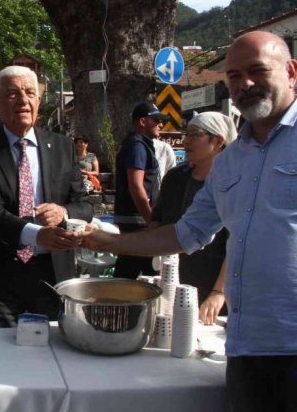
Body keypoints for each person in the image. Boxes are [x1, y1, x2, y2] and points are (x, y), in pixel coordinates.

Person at [81, 31, 297, 412]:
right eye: (234, 76)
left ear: (291, 72)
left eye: (257, 71)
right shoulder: (230, 163)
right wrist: (104, 241)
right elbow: (184, 234)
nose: (245, 84)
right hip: (246, 349)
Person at [0, 66, 92, 327]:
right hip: (0, 272)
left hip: (52, 271)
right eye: (12, 94)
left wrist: (63, 213)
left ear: (39, 101)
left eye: (30, 93)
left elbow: (84, 205)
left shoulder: (62, 146)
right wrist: (36, 234)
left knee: (54, 346)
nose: (23, 101)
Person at [150, 111, 237, 324]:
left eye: (195, 134)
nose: (186, 140)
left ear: (218, 141)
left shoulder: (233, 184)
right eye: (186, 134)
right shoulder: (175, 178)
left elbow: (238, 244)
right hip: (174, 278)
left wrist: (219, 292)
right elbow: (157, 218)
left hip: (214, 285)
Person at [113, 102, 169, 279]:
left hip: (137, 220)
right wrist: (151, 220)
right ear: (143, 122)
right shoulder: (137, 146)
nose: (161, 124)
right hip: (137, 222)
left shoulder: (138, 144)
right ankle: (115, 298)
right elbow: (136, 186)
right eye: (156, 120)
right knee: (132, 271)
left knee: (143, 271)